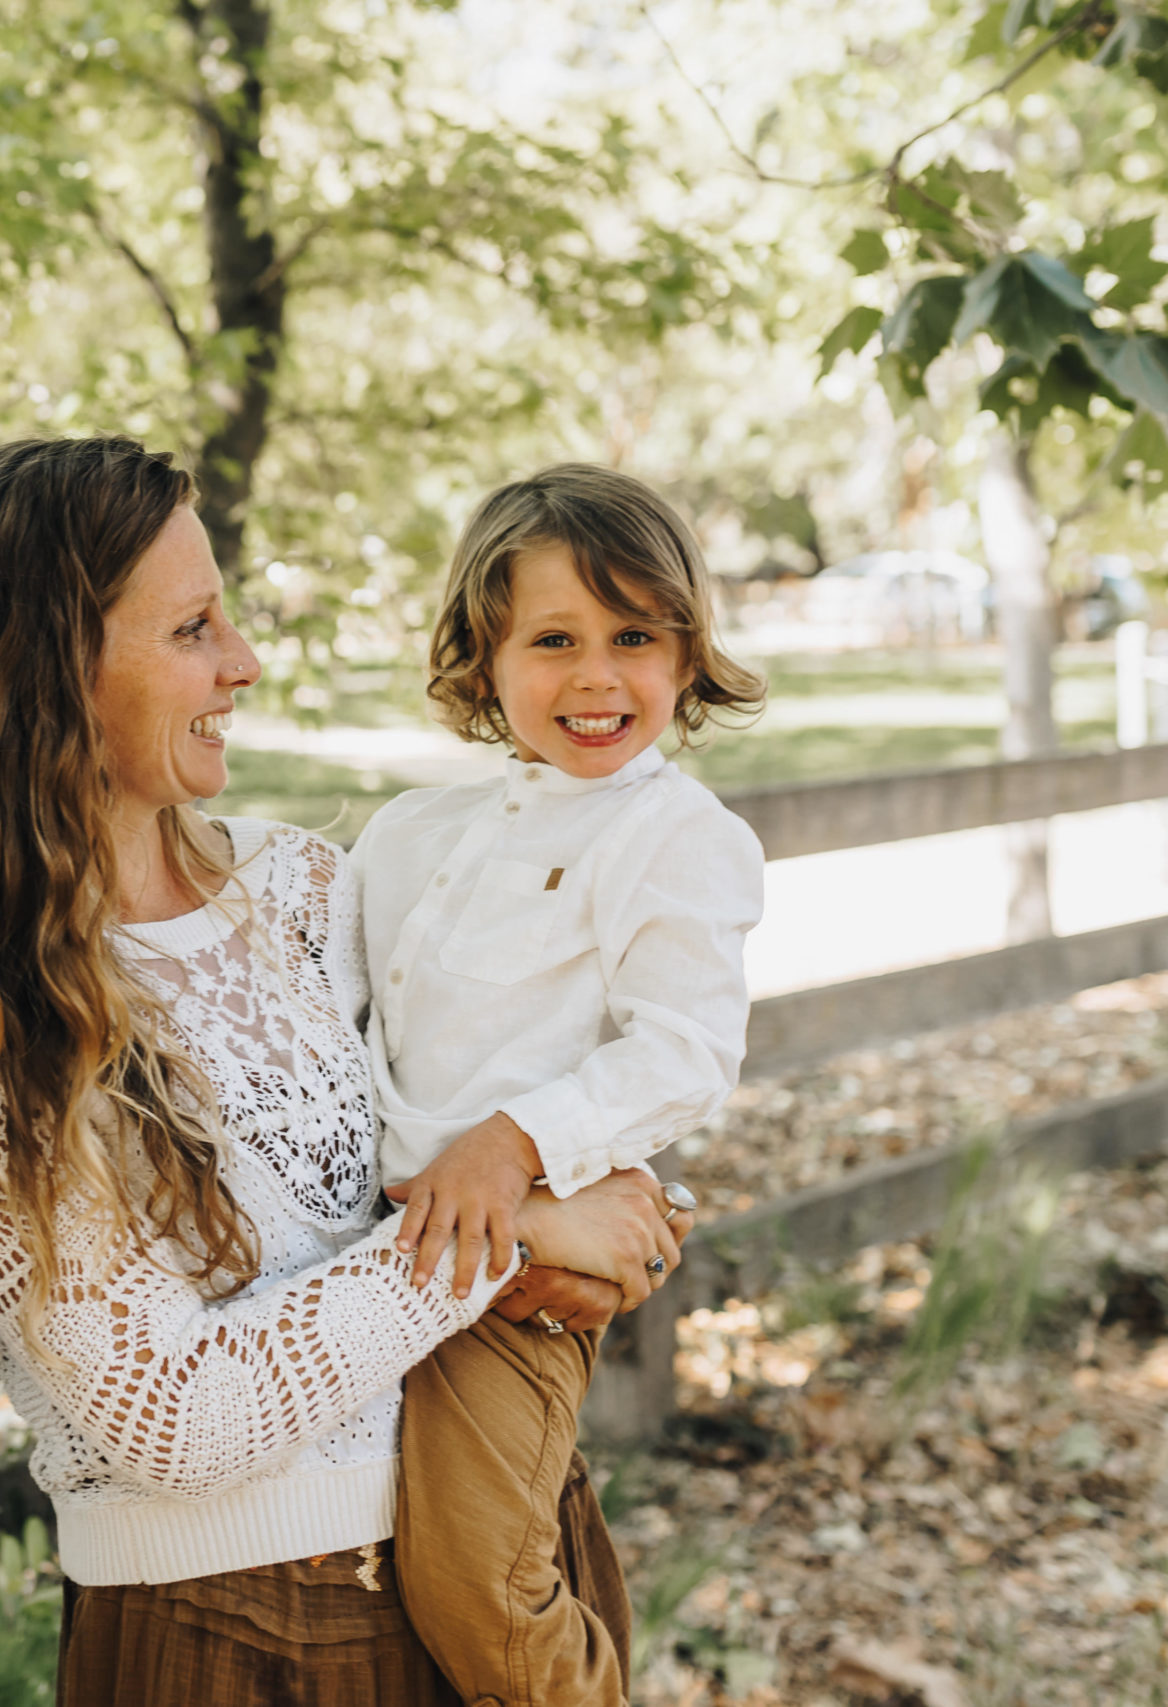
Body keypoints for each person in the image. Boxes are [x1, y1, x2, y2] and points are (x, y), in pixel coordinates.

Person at [0, 436, 693, 1707]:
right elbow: (169, 1420)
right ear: (47, 668)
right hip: (226, 1631)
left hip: (493, 1541)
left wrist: (620, 1216)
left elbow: (490, 1084)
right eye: (194, 627)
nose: (242, 663)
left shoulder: (301, 887)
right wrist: (514, 1234)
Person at [359, 464, 766, 1707]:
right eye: (553, 640)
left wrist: (512, 1144)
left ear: (687, 655)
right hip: (353, 1251)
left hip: (511, 1281)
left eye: (634, 636)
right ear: (482, 660)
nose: (598, 678)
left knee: (478, 1585)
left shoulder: (675, 837)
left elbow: (682, 1049)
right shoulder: (408, 834)